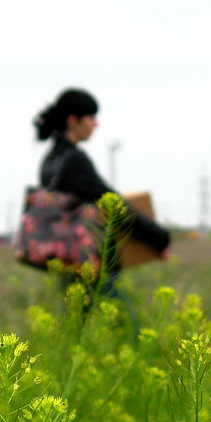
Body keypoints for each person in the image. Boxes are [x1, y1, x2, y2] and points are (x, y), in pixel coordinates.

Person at [32, 88, 170, 306]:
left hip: (67, 261)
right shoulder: (73, 160)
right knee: (119, 327)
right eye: (91, 117)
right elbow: (113, 205)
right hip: (90, 263)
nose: (96, 124)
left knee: (79, 326)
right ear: (73, 120)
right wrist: (160, 238)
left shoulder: (51, 160)